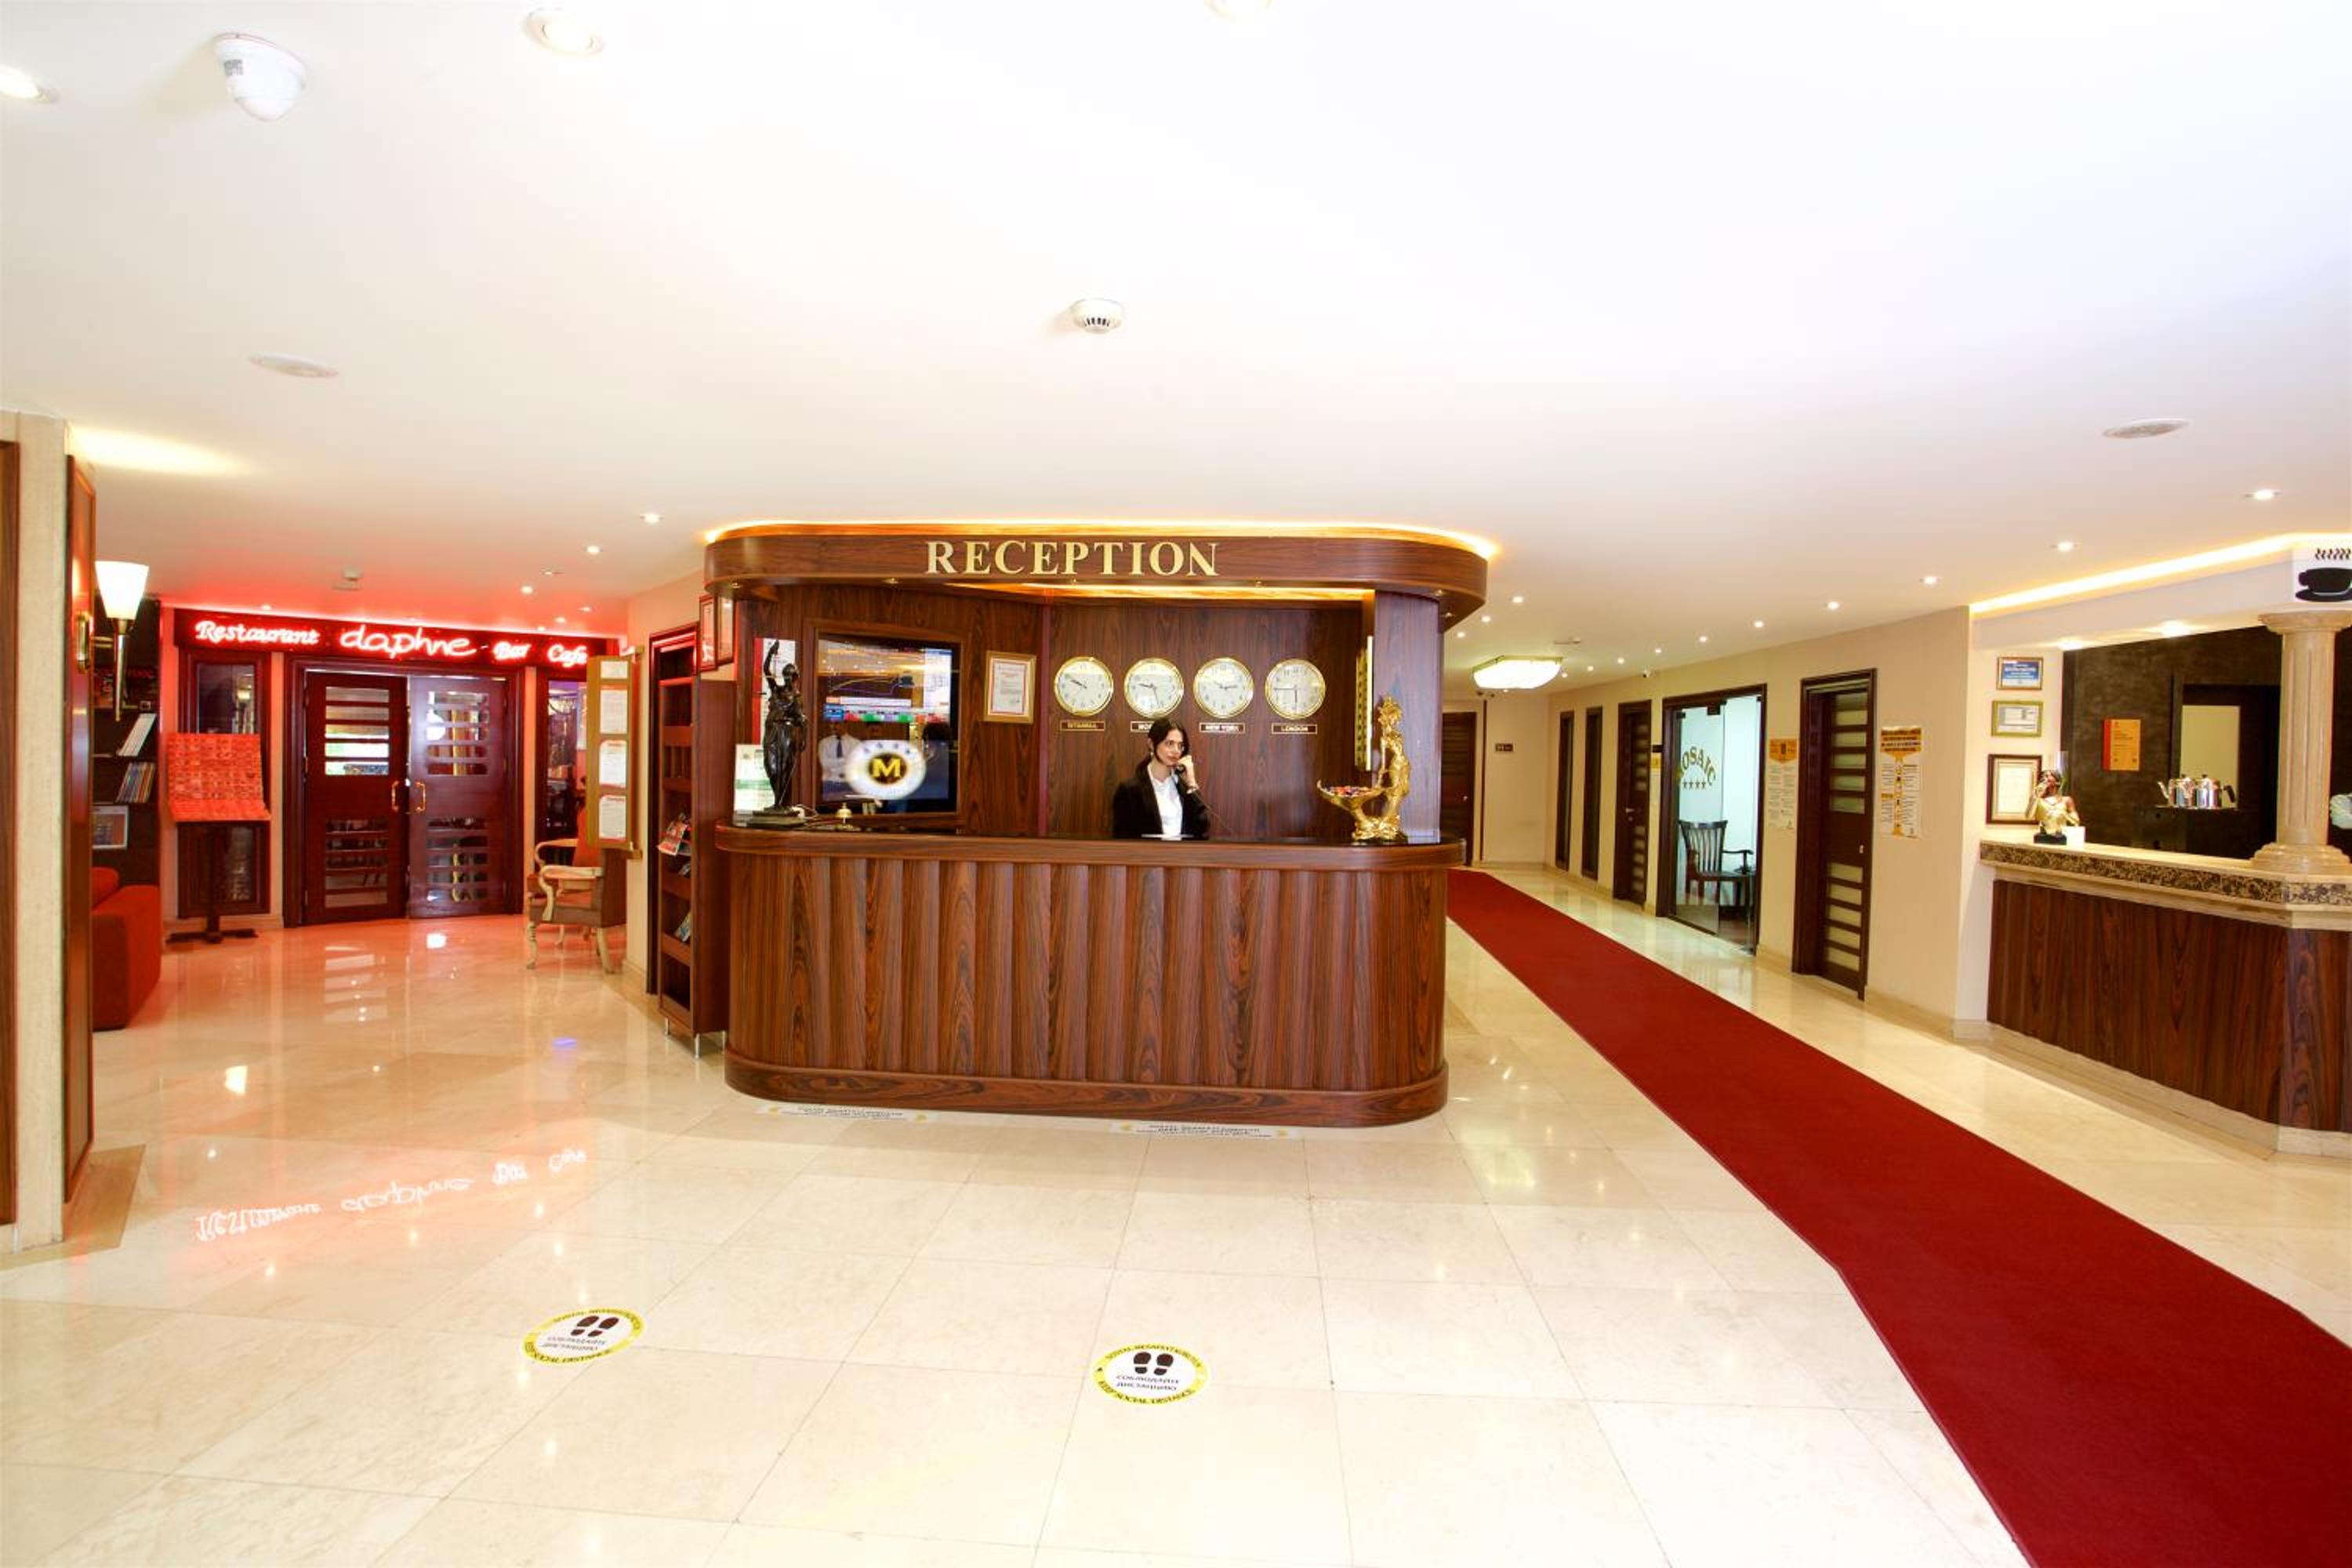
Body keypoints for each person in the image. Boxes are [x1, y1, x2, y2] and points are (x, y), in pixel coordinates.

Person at [1111, 720, 1209, 839]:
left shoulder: (1185, 789)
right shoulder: (1129, 790)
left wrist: (1191, 782)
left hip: (1183, 851)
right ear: (1152, 744)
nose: (1176, 751)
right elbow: (1122, 838)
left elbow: (1202, 830)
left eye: (1180, 745)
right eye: (1169, 743)